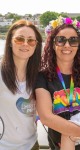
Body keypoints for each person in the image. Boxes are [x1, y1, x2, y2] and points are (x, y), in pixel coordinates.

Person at [35, 16, 80, 150]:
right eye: (61, 40)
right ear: (52, 43)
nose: (67, 45)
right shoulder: (42, 77)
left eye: (73, 40)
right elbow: (46, 117)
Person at [0, 19, 42, 150]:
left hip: (31, 145)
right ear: (10, 43)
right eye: (19, 39)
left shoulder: (39, 75)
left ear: (36, 45)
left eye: (31, 40)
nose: (25, 44)